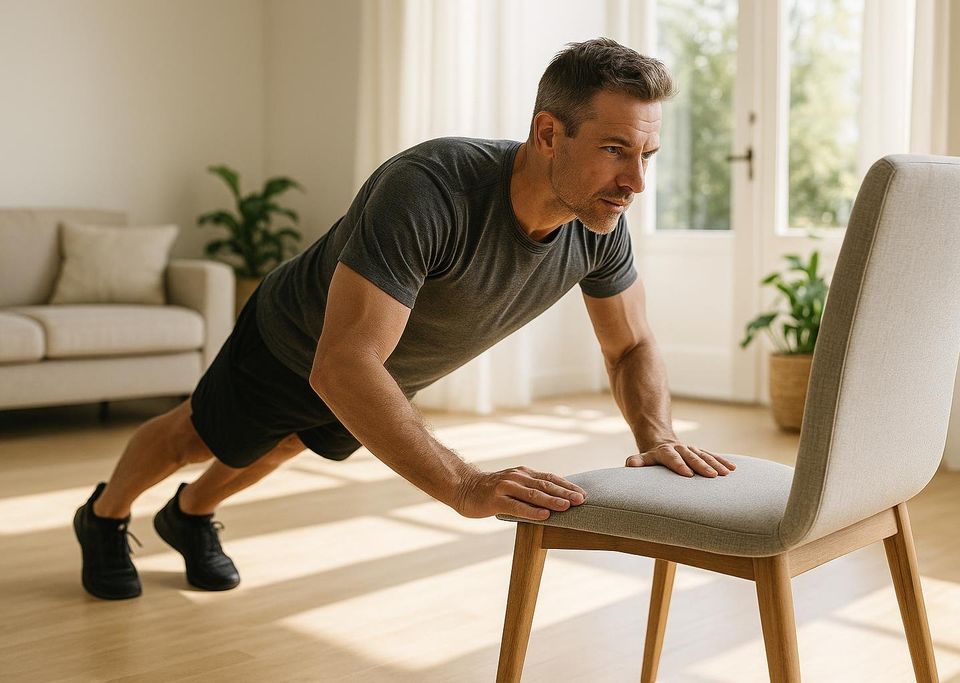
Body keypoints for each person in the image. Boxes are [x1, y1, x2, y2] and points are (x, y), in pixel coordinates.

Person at [73, 37, 737, 600]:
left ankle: (191, 513)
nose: (636, 183)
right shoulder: (430, 188)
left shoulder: (598, 223)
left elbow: (631, 347)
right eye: (616, 149)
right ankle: (103, 515)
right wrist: (465, 484)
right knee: (200, 436)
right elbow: (339, 364)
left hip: (377, 371)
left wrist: (657, 432)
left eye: (645, 156)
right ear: (546, 133)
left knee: (288, 441)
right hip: (297, 339)